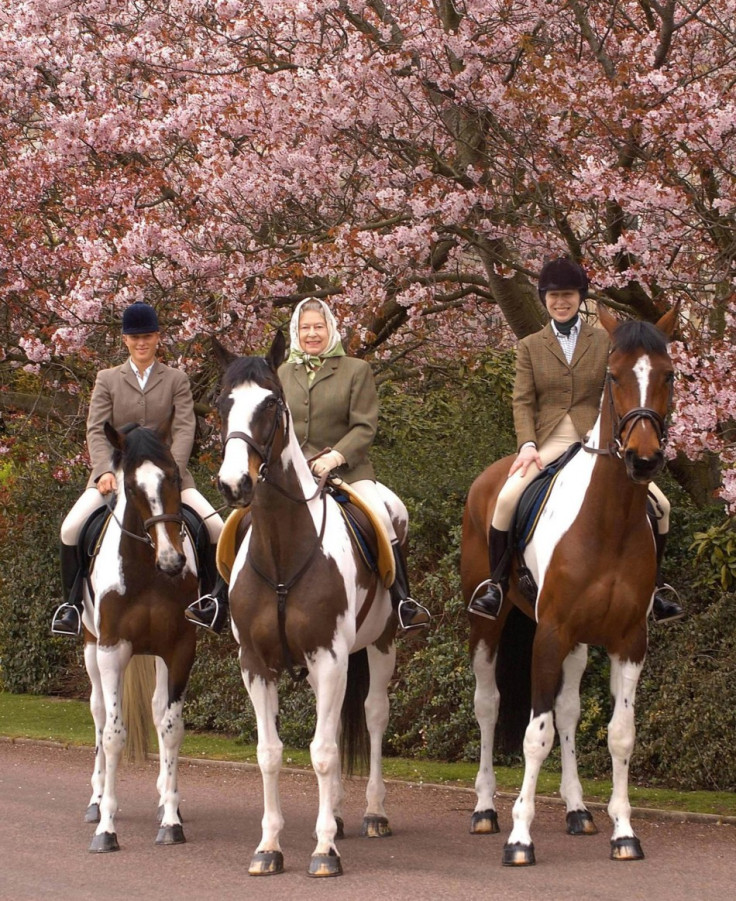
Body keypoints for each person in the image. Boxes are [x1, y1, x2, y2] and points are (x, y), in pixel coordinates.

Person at [189, 297, 429, 635]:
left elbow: (364, 427)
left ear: (330, 328)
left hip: (347, 471)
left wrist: (335, 457)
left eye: (318, 327)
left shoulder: (355, 370)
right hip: (291, 475)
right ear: (296, 332)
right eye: (305, 328)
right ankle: (218, 599)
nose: (312, 334)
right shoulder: (280, 373)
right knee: (236, 522)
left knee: (382, 517)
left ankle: (403, 601)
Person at [467, 257, 684, 624]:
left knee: (661, 506)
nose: (560, 302)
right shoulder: (531, 346)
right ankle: (498, 584)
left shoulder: (605, 340)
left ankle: (657, 587)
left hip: (596, 437)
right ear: (544, 300)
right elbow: (522, 400)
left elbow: (626, 384)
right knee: (504, 500)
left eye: (567, 295)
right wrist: (527, 445)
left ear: (579, 297)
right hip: (551, 438)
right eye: (553, 296)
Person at [52, 301, 227, 636]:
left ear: (158, 337)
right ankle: (72, 606)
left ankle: (210, 600)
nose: (142, 342)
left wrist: (169, 471)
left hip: (168, 478)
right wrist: (103, 469)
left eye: (147, 336)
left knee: (217, 528)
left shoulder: (176, 379)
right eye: (135, 337)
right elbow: (96, 428)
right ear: (125, 340)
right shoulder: (107, 379)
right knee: (70, 529)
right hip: (116, 477)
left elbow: (185, 428)